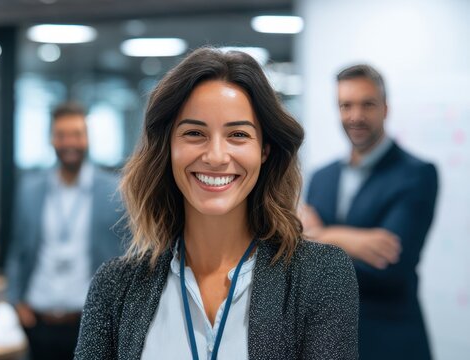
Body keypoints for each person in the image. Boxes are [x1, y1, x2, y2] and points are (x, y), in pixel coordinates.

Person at [75, 47, 359, 359]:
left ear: (264, 150)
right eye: (195, 133)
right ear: (167, 146)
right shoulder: (115, 287)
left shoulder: (319, 275)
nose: (215, 157)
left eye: (238, 134)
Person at [302, 64, 438, 360]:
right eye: (345, 105)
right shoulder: (321, 178)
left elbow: (389, 268)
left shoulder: (417, 175)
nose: (356, 116)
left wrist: (319, 235)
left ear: (385, 109)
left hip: (391, 343)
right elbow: (302, 265)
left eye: (367, 104)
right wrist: (352, 242)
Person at [5, 102, 126, 360]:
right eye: (62, 135)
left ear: (87, 138)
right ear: (51, 139)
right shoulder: (30, 189)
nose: (69, 142)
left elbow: (126, 252)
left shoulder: (114, 190)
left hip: (90, 323)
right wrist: (16, 300)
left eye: (76, 134)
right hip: (38, 322)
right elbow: (18, 248)